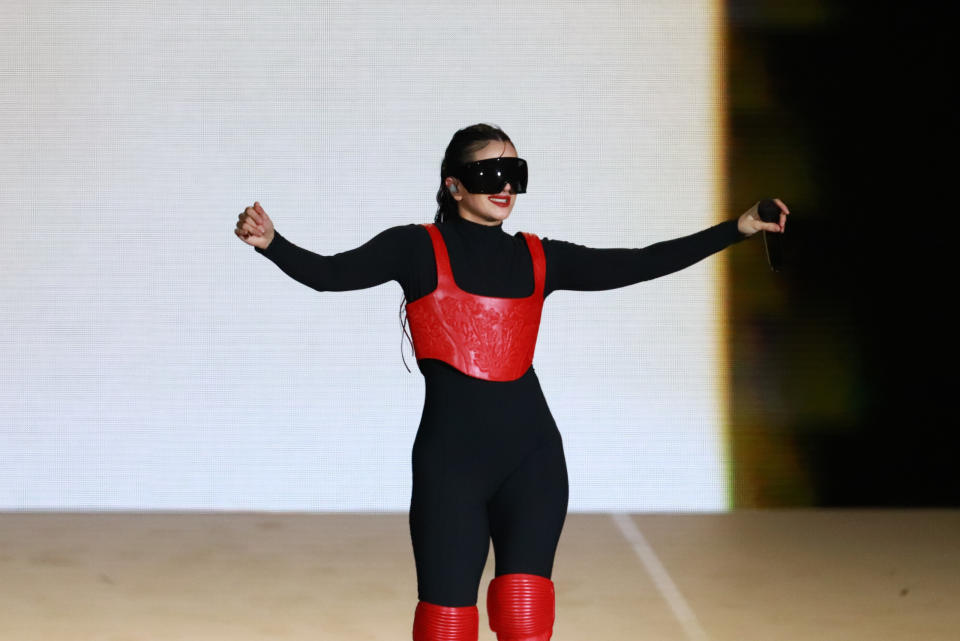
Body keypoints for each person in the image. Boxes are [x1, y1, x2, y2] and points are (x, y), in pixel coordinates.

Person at [235, 123, 789, 641]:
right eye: (488, 174)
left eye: (514, 174)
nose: (504, 187)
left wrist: (737, 229)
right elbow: (333, 275)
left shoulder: (538, 256)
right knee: (446, 622)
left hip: (533, 460)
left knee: (526, 620)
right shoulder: (415, 247)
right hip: (451, 467)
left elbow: (637, 263)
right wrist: (273, 244)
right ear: (453, 185)